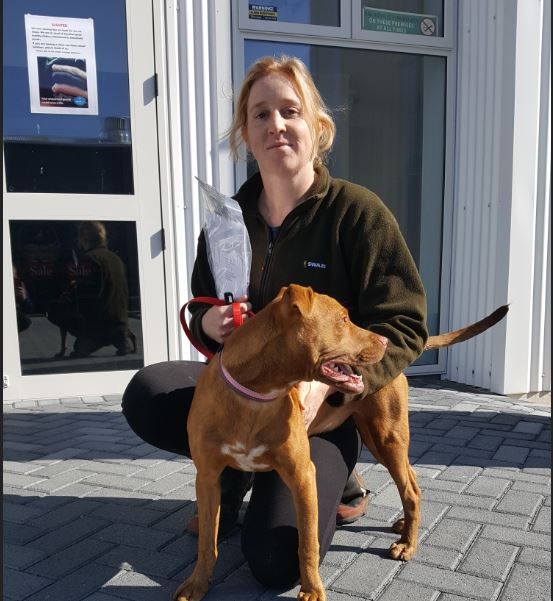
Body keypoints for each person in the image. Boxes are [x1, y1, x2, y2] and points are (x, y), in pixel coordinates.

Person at [122, 55, 428, 589]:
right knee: (149, 393)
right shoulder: (227, 220)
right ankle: (232, 472)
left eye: (291, 110)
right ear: (245, 132)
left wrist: (332, 391)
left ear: (318, 125)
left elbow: (404, 324)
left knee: (277, 561)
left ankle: (342, 476)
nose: (276, 125)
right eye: (260, 114)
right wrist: (208, 323)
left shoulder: (357, 214)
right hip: (244, 396)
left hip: (321, 413)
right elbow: (201, 302)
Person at [47, 221, 136, 358]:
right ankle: (120, 339)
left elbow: (86, 297)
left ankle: (93, 339)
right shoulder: (116, 258)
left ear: (84, 239)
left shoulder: (89, 258)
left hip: (98, 325)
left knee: (56, 313)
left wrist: (73, 288)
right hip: (119, 321)